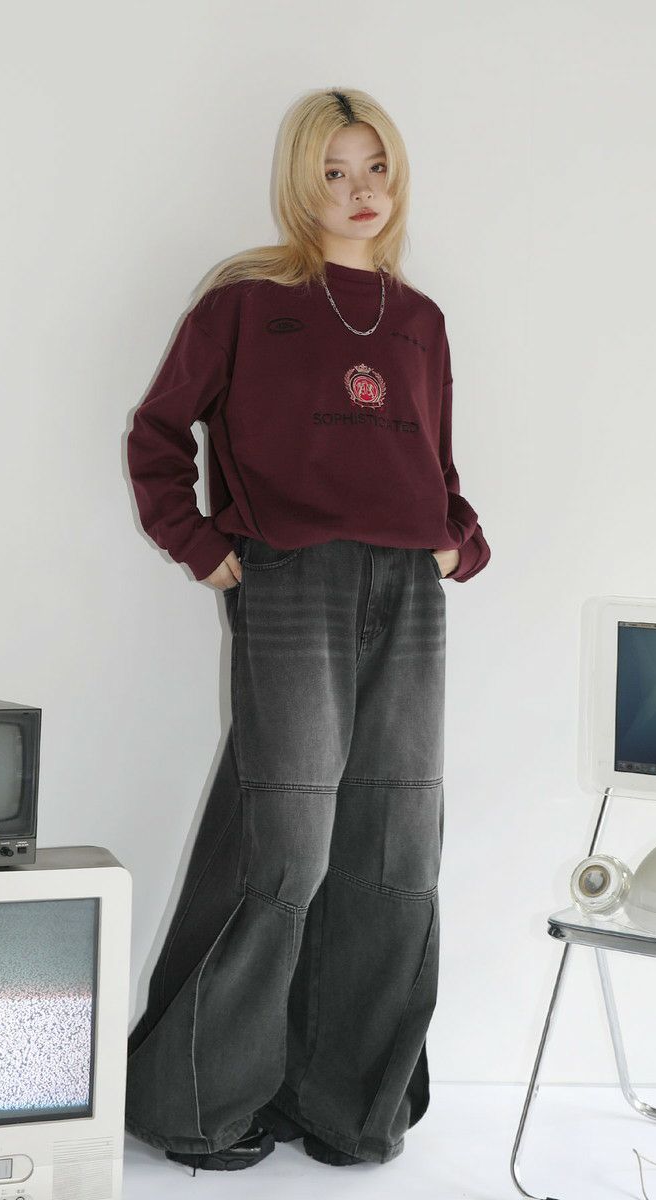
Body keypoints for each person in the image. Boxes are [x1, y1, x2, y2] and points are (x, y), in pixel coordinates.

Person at [124, 86, 490, 1175]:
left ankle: (347, 1106)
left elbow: (434, 464)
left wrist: (457, 543)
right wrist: (200, 545)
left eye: (374, 167)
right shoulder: (246, 302)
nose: (358, 190)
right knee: (285, 844)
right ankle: (197, 1104)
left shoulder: (420, 320)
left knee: (394, 846)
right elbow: (157, 433)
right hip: (292, 583)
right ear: (300, 182)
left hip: (408, 592)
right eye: (333, 171)